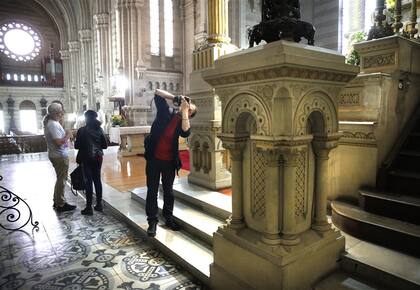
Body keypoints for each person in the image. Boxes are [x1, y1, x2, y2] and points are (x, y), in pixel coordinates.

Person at [144, 89, 197, 237]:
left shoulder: (183, 123)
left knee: (169, 192)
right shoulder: (165, 111)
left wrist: (185, 112)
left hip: (169, 162)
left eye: (191, 110)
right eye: (188, 106)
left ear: (190, 114)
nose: (188, 108)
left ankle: (168, 218)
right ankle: (152, 222)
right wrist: (177, 98)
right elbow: (156, 92)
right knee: (152, 191)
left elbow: (186, 132)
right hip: (154, 159)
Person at [43, 103, 76, 212]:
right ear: (57, 112)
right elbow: (58, 142)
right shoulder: (52, 124)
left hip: (57, 155)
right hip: (59, 156)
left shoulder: (53, 123)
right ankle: (61, 204)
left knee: (60, 179)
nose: (62, 112)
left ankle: (57, 201)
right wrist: (68, 135)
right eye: (60, 110)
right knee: (62, 180)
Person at [74, 110, 108, 215]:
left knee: (88, 181)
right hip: (98, 157)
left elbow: (76, 146)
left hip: (86, 158)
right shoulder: (100, 129)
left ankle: (88, 207)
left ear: (86, 118)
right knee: (97, 180)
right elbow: (105, 145)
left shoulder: (82, 130)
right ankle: (99, 204)